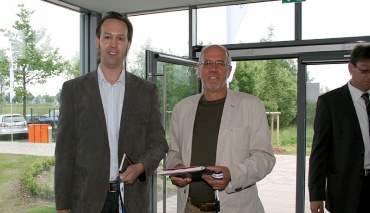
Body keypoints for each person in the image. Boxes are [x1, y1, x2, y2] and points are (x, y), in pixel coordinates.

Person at [54, 11, 168, 213]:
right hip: (87, 202)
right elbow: (64, 153)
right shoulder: (73, 90)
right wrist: (63, 206)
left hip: (132, 201)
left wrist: (141, 166)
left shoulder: (146, 91)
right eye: (108, 37)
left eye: (120, 38)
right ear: (98, 41)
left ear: (128, 44)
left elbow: (159, 143)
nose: (113, 44)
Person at [166, 44, 276, 213]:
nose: (213, 69)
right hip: (190, 207)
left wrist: (232, 174)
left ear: (229, 70)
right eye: (208, 63)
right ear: (199, 70)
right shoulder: (181, 109)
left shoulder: (251, 106)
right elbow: (173, 153)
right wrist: (177, 167)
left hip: (238, 208)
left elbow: (265, 158)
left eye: (220, 63)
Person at [309, 44, 370, 213]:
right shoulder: (330, 102)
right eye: (365, 70)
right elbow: (319, 153)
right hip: (345, 190)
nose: (369, 76)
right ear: (351, 67)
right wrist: (316, 195)